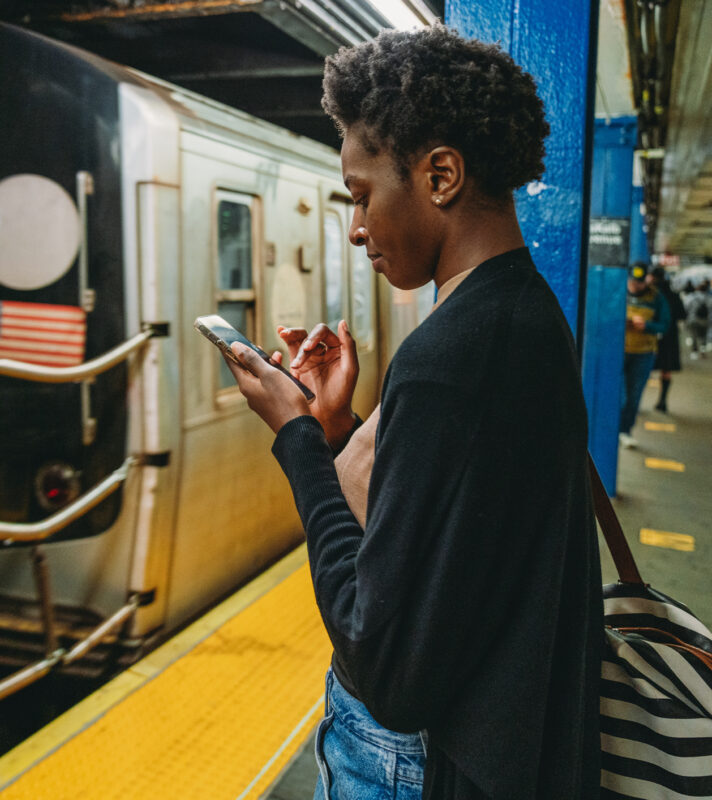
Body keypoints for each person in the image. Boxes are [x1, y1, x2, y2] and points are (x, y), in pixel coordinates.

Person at [222, 26, 601, 800]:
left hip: (413, 761)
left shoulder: (448, 359)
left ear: (441, 176)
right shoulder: (526, 315)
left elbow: (381, 657)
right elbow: (454, 522)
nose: (356, 228)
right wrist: (341, 430)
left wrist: (296, 440)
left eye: (362, 196)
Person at [618, 263, 669, 448]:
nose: (635, 286)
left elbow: (665, 324)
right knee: (620, 394)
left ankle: (625, 430)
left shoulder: (656, 298)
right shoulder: (618, 292)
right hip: (619, 351)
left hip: (644, 354)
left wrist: (647, 326)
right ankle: (615, 427)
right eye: (632, 282)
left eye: (639, 283)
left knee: (634, 395)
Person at [647, 266, 685, 412]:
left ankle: (637, 403)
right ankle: (662, 401)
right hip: (670, 337)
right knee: (666, 370)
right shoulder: (674, 294)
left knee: (644, 368)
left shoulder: (650, 294)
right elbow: (682, 314)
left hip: (650, 334)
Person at [685, 279, 710, 358]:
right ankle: (703, 350)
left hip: (693, 319)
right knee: (704, 336)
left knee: (694, 336)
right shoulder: (709, 298)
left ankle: (694, 352)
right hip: (705, 320)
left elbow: (686, 307)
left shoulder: (691, 297)